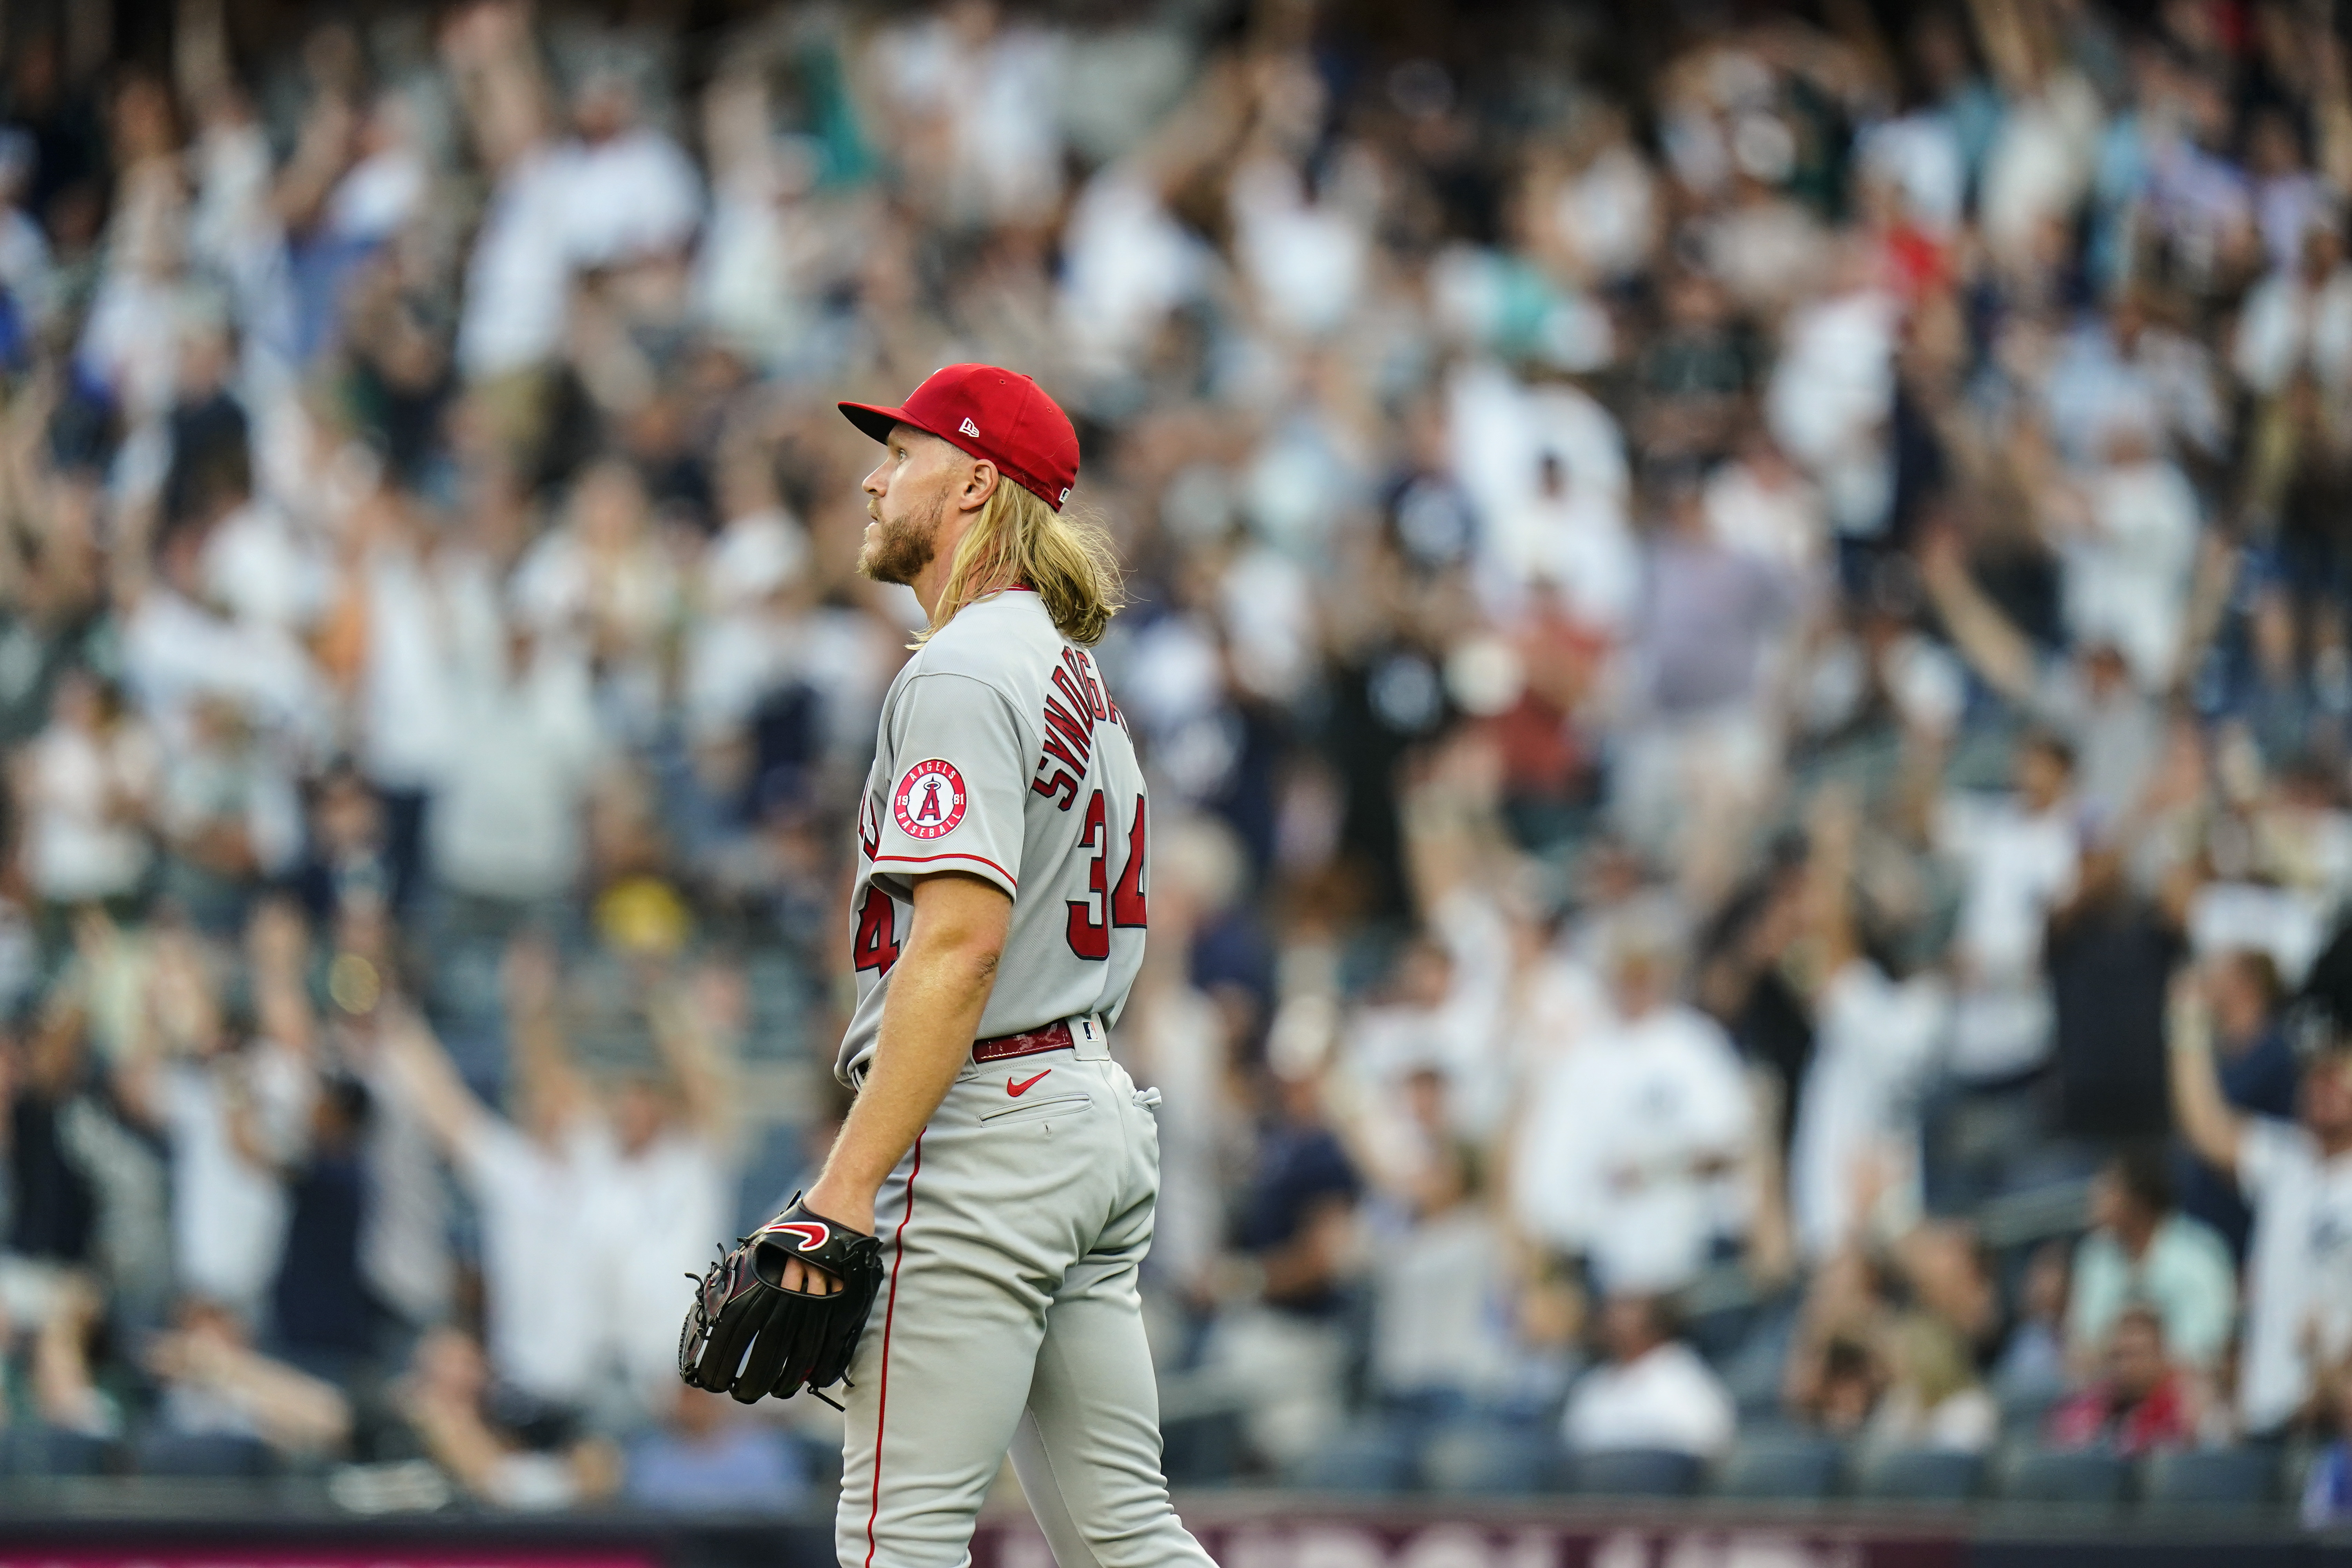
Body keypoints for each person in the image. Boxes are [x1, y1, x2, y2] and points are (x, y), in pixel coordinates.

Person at [764, 365, 1215, 1568]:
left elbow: (958, 949)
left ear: (971, 482)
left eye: (899, 453)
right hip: (1080, 1107)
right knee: (1125, 1537)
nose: (872, 476)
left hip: (988, 1124)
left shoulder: (963, 667)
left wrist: (842, 1188)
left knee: (892, 1544)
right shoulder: (1074, 675)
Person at [2170, 976, 2352, 1436]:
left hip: (2337, 1410)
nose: (2323, 1087)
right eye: (2315, 1076)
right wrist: (2187, 1026)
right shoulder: (2288, 1158)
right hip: (2270, 1404)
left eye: (2337, 1076)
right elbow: (2207, 1127)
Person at [2065, 1147, 2235, 1374]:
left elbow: (2211, 1345)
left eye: (2108, 1188)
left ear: (2139, 1200)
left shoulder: (2198, 1254)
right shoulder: (2094, 1255)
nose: (2094, 1195)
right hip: (2110, 1392)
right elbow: (2082, 1345)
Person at [1561, 1292, 1737, 1461]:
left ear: (1659, 1320)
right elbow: (1574, 1444)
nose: (1613, 1316)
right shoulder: (1592, 1385)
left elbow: (1711, 1441)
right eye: (1611, 1307)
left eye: (1627, 1305)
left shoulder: (1685, 1376)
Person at [2046, 1303, 2197, 1456]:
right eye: (2118, 1356)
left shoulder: (2182, 1408)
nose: (2125, 1366)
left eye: (2135, 1355)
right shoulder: (2095, 1402)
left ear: (2160, 1356)